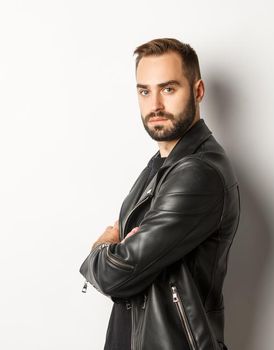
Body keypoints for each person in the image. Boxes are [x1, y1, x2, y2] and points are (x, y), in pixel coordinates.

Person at [79, 38, 240, 350]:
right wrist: (119, 257)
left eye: (168, 89)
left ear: (198, 91)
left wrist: (100, 248)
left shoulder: (198, 173)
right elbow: (128, 270)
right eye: (144, 91)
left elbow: (117, 274)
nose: (154, 105)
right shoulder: (163, 165)